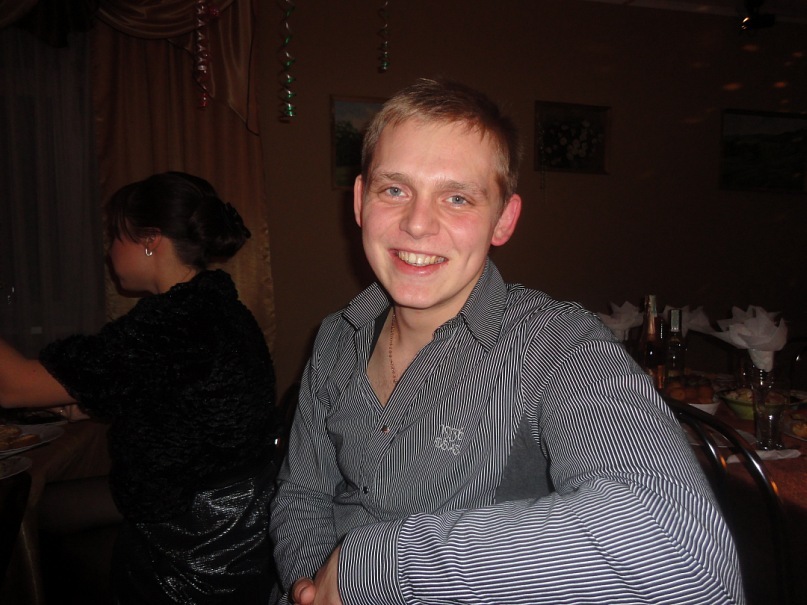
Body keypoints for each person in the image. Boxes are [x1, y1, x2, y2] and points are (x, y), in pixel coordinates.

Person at [269, 79, 744, 604]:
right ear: (361, 201)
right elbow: (302, 493)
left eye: (457, 198)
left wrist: (377, 569)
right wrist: (309, 588)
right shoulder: (336, 337)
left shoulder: (557, 343)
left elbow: (683, 554)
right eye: (395, 190)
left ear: (503, 220)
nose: (418, 224)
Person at [0, 172, 278, 604]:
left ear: (150, 240)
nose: (109, 250)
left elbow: (11, 387)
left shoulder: (174, 323)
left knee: (23, 514)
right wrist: (86, 402)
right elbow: (177, 399)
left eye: (116, 235)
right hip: (228, 514)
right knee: (44, 507)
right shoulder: (212, 307)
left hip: (198, 544)